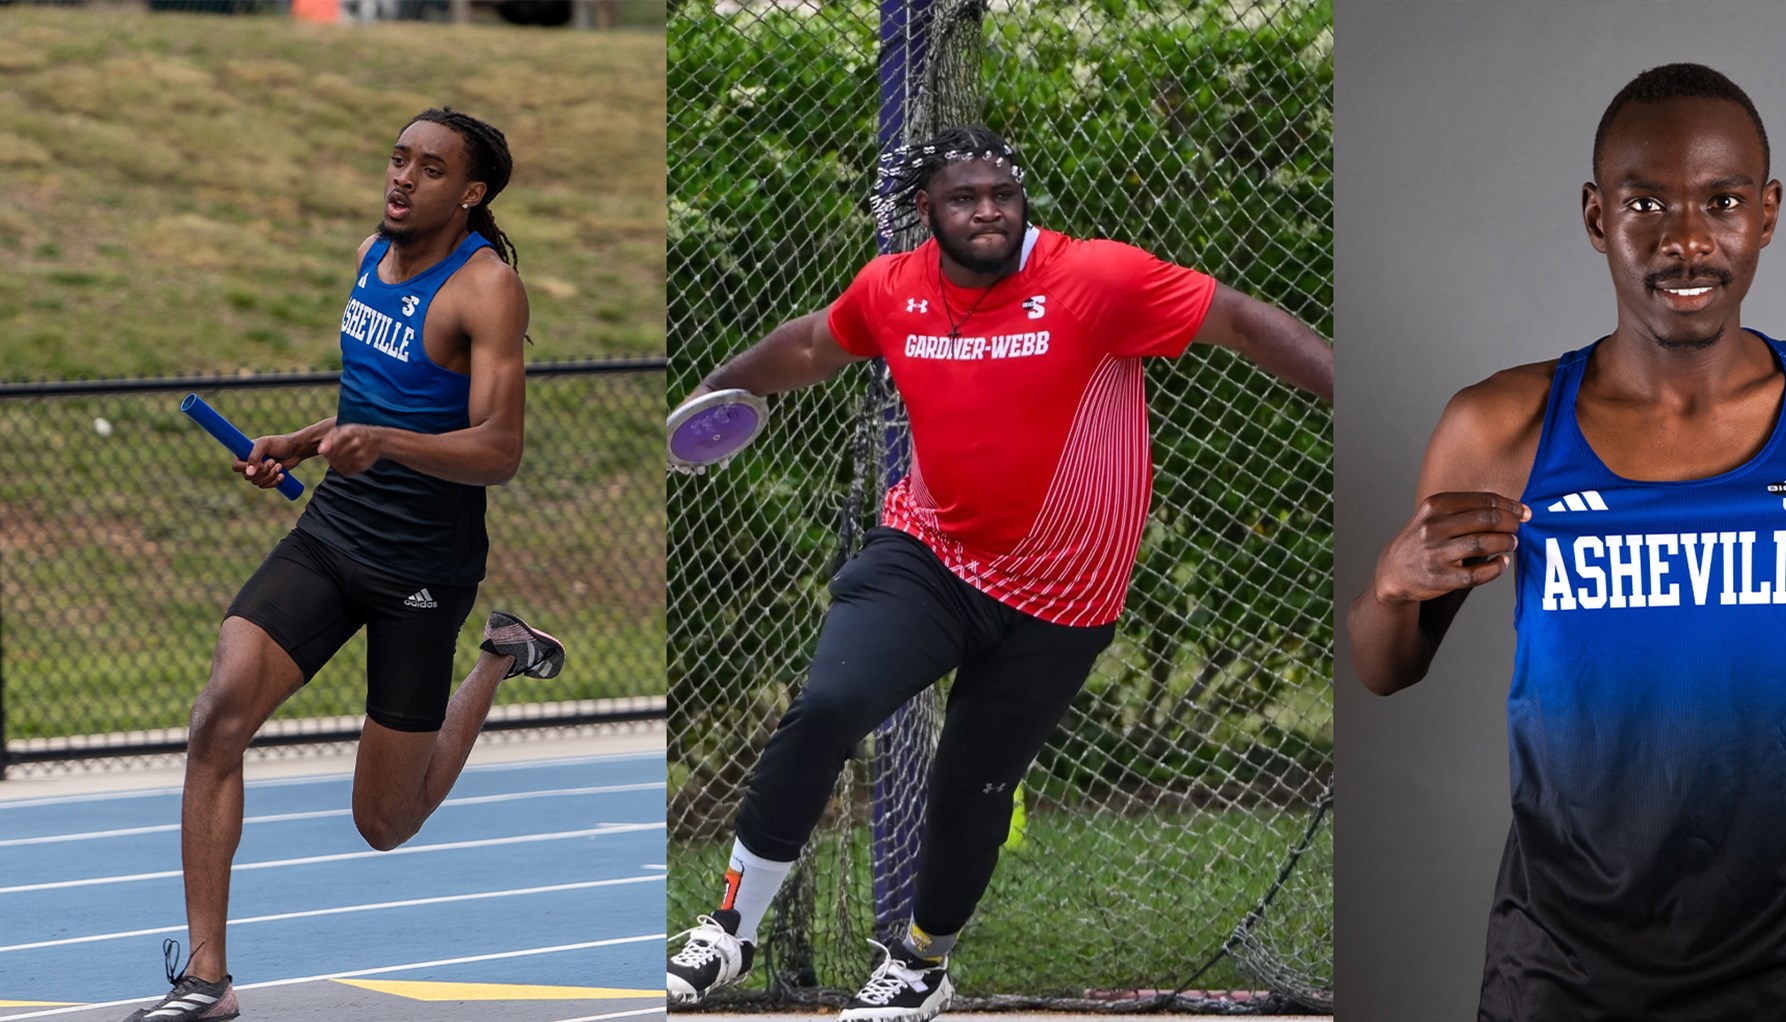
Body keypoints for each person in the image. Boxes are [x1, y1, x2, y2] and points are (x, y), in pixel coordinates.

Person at [1346, 63, 1786, 1020]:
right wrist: (1393, 588)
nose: (1687, 241)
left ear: (1766, 214)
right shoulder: (1502, 426)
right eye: (1646, 203)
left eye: (1722, 201)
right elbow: (1383, 671)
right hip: (1561, 961)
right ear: (1597, 216)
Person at [667, 124, 1332, 1020]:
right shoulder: (891, 290)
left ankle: (921, 965)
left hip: (1065, 593)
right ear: (923, 212)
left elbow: (1244, 321)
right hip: (929, 554)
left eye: (1002, 196)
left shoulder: (1097, 279)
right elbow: (811, 345)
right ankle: (728, 933)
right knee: (828, 705)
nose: (988, 212)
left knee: (973, 783)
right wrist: (719, 390)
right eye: (963, 198)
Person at [125, 108, 566, 1022]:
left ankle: (499, 654)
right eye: (399, 159)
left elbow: (499, 449)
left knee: (384, 825)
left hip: (423, 565)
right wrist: (302, 439)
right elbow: (374, 403)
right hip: (331, 533)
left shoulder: (486, 291)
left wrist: (387, 444)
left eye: (431, 168)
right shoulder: (373, 254)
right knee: (218, 716)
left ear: (471, 192)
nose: (404, 178)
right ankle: (207, 980)